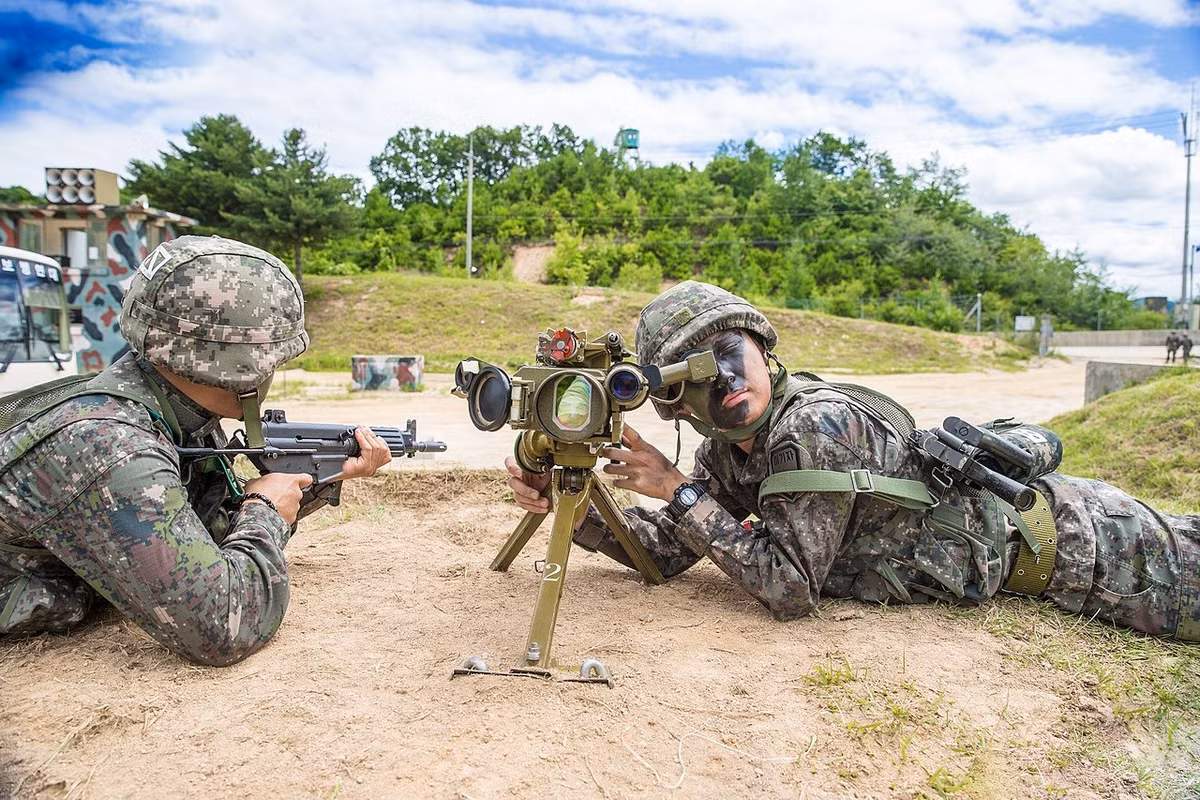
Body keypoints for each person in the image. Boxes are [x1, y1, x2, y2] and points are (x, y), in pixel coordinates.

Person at [507, 281, 1200, 641]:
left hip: (1088, 547)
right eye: (700, 369)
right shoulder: (730, 453)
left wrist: (677, 489)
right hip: (1057, 566)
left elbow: (789, 590)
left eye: (732, 353)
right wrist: (573, 505)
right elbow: (663, 554)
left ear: (763, 350)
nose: (724, 377)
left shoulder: (814, 424)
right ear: (674, 401)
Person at [0, 236, 391, 665]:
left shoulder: (167, 406)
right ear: (236, 366)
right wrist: (265, 508)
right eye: (272, 361)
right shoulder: (111, 446)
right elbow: (223, 626)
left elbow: (204, 533)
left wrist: (314, 478)